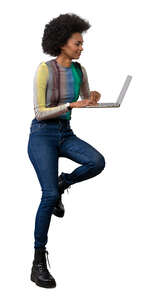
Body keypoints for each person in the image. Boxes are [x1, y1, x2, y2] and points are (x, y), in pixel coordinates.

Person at [27, 13, 106, 289]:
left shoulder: (79, 70)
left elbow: (85, 100)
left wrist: (92, 98)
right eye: (77, 43)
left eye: (82, 43)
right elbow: (39, 113)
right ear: (62, 43)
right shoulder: (44, 70)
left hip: (65, 133)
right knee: (47, 196)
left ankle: (64, 183)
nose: (82, 47)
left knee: (96, 162)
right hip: (42, 135)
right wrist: (71, 107)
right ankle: (38, 262)